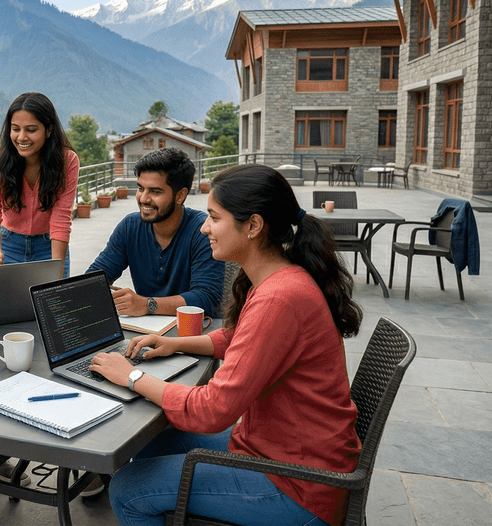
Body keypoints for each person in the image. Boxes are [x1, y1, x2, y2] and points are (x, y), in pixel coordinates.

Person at [91, 164, 364, 526]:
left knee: (128, 490)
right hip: (278, 447)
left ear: (253, 226)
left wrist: (132, 377)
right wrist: (177, 344)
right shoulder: (278, 278)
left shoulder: (279, 298)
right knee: (151, 446)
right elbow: (241, 338)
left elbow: (212, 410)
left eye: (214, 218)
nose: (204, 228)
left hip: (299, 485)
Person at [86, 148, 224, 318]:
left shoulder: (202, 231)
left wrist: (147, 304)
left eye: (155, 191)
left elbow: (207, 299)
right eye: (140, 188)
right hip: (145, 332)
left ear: (180, 195)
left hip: (191, 334)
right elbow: (95, 278)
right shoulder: (130, 226)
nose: (144, 198)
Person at [0, 91, 78, 276]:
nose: (21, 137)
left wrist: (56, 271)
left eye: (31, 130)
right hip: (7, 245)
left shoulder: (67, 161)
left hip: (50, 246)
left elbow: (61, 220)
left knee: (53, 303)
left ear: (48, 129)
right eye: (15, 129)